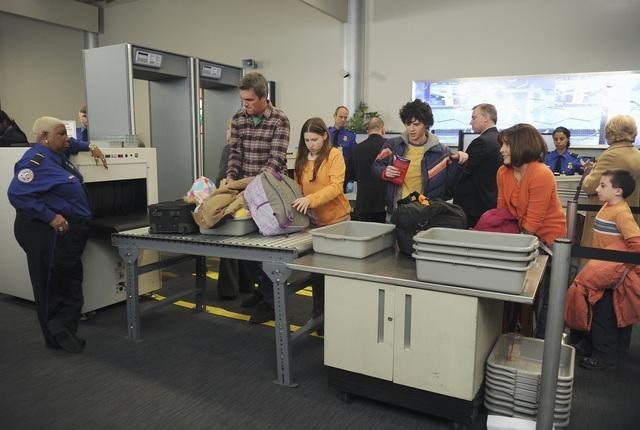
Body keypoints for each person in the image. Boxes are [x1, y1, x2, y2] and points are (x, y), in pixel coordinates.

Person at [7, 116, 108, 353]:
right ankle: (57, 337)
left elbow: (72, 144)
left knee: (70, 281)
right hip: (46, 231)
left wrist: (90, 146)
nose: (67, 139)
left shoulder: (57, 153)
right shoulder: (35, 160)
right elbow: (17, 194)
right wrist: (50, 216)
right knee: (52, 284)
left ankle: (66, 331)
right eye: (61, 134)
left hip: (68, 231)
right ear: (44, 137)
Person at [222, 72, 290, 323]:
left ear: (264, 97)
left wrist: (249, 187)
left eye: (249, 100)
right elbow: (235, 153)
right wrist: (231, 178)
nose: (245, 105)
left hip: (268, 193)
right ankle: (262, 291)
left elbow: (274, 162)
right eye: (242, 100)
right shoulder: (239, 118)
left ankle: (272, 303)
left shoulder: (279, 120)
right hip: (242, 191)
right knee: (243, 246)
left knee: (266, 250)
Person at [497, 123, 566, 337]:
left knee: (547, 298)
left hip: (550, 243)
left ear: (521, 145)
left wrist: (510, 248)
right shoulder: (503, 172)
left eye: (506, 145)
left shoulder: (541, 174)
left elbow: (532, 224)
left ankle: (543, 340)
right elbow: (501, 214)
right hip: (523, 239)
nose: (501, 150)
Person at [570, 169, 640, 370]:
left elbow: (635, 242)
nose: (598, 189)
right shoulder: (607, 206)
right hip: (601, 271)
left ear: (618, 191)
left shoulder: (621, 213)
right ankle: (590, 344)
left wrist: (622, 268)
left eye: (603, 186)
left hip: (611, 275)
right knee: (594, 309)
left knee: (604, 316)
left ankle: (603, 355)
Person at [291, 117, 351, 320]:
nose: (311, 144)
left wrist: (310, 200)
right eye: (307, 140)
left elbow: (336, 187)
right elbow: (298, 188)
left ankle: (339, 317)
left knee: (336, 274)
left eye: (314, 139)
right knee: (317, 275)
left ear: (325, 136)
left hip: (337, 221)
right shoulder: (301, 157)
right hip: (314, 223)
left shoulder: (335, 155)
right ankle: (319, 317)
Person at [372, 99, 467, 219]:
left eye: (416, 124)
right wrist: (384, 171)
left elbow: (450, 186)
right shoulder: (393, 145)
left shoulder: (441, 152)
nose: (411, 129)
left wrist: (461, 160)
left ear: (426, 124)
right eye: (408, 124)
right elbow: (376, 166)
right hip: (396, 211)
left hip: (425, 213)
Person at [580, 115, 640, 247]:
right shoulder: (637, 154)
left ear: (610, 132)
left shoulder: (611, 155)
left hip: (606, 221)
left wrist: (590, 172)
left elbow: (590, 186)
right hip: (630, 214)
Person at [452, 103, 502, 227]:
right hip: (490, 201)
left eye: (474, 118)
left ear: (486, 117)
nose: (470, 122)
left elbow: (465, 172)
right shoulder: (500, 139)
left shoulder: (481, 142)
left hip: (474, 205)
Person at [346, 116, 387, 223]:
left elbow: (349, 174)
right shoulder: (389, 148)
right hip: (384, 205)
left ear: (368, 131)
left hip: (363, 204)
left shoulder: (356, 149)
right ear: (382, 129)